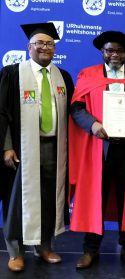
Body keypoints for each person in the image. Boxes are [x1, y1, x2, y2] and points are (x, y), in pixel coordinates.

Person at [69, 31, 125, 269]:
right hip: (99, 149)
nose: (114, 54)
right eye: (109, 50)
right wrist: (93, 125)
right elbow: (76, 108)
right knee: (97, 199)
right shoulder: (89, 75)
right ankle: (90, 250)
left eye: (119, 51)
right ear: (102, 52)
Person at [0, 22, 74, 272]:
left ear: (54, 49)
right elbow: (2, 114)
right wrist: (6, 146)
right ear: (29, 47)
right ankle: (16, 251)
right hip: (22, 149)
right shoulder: (12, 74)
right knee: (17, 200)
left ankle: (44, 246)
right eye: (39, 43)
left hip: (55, 147)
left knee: (49, 199)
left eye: (49, 44)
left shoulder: (63, 77)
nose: (45, 47)